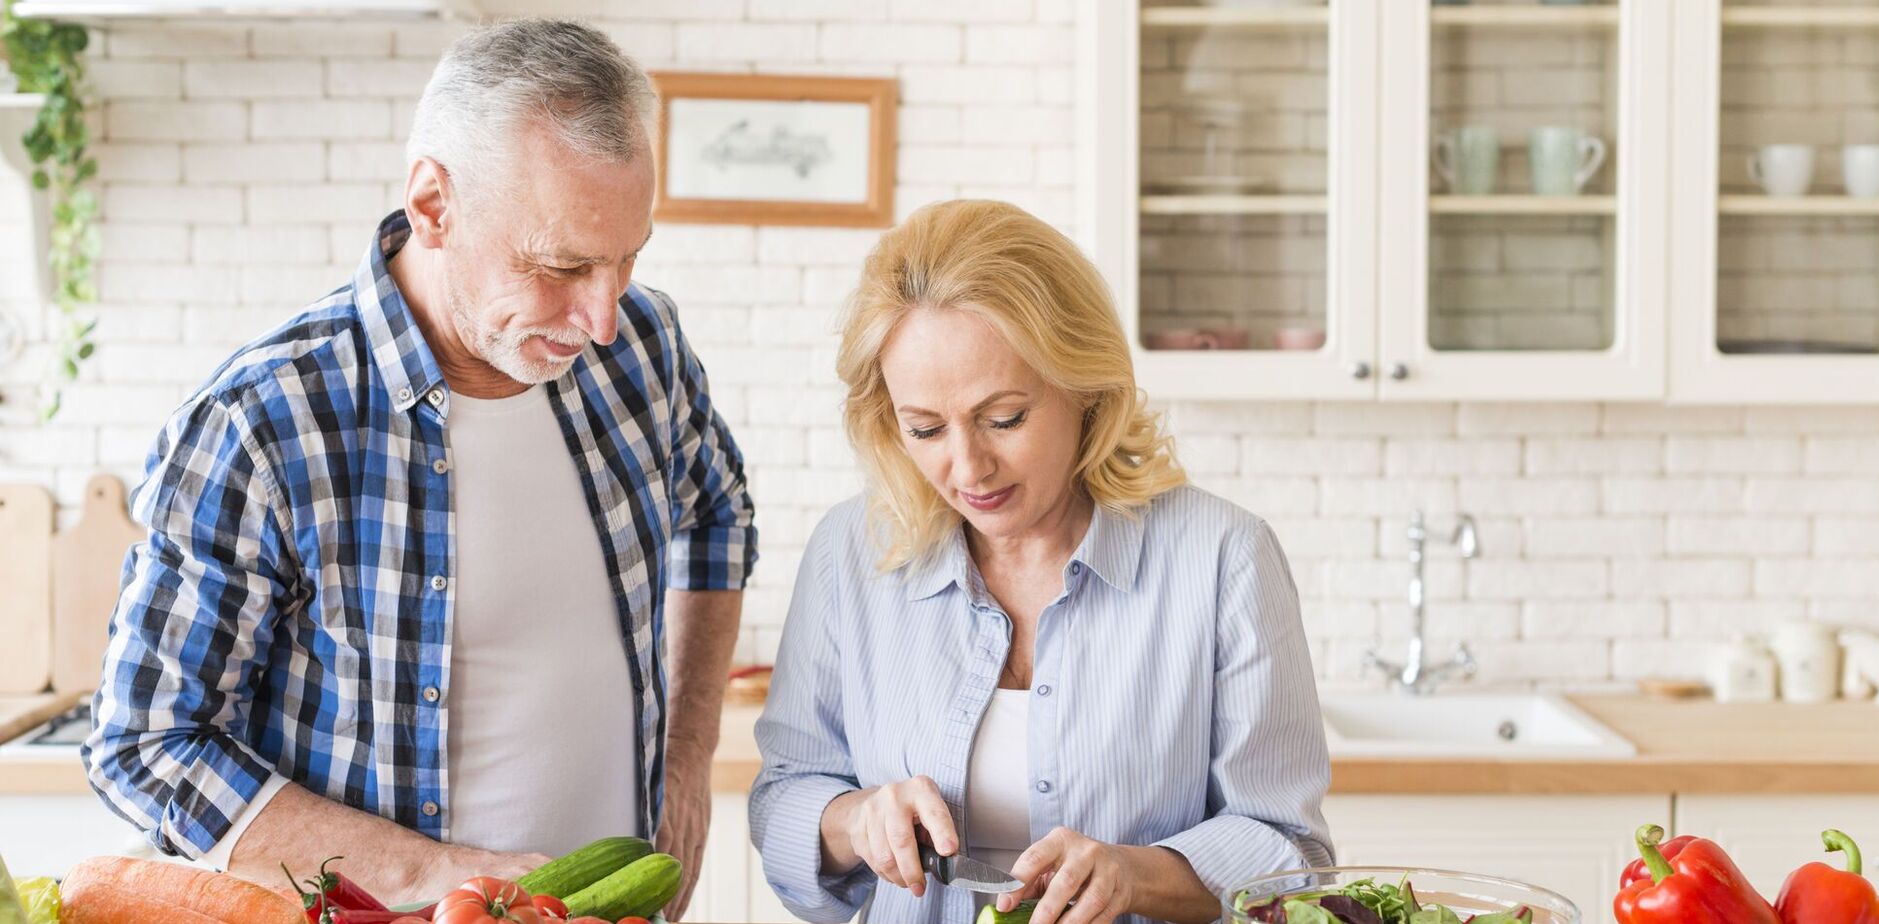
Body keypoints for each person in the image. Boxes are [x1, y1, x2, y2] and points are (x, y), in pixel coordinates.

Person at [81, 19, 753, 915]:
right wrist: (434, 873)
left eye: (626, 260)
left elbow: (717, 517)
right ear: (433, 205)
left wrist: (686, 761)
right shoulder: (262, 423)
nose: (599, 317)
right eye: (560, 266)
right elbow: (146, 745)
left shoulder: (643, 346)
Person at [750, 199, 1333, 924]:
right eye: (925, 429)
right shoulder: (851, 553)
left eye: (1005, 419)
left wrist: (1135, 874)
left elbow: (1291, 852)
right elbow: (785, 792)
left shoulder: (1222, 558)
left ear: (1084, 387)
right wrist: (855, 818)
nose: (969, 467)